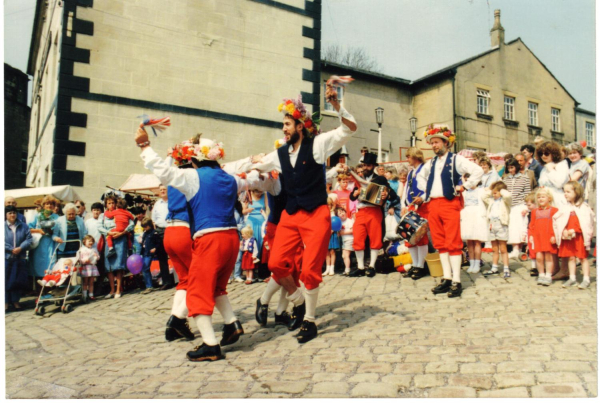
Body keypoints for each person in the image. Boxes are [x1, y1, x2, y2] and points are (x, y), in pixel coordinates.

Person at [137, 127, 271, 361]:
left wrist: (144, 147)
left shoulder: (192, 177)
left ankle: (210, 344)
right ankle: (232, 324)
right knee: (218, 286)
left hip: (209, 238)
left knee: (197, 290)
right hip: (232, 237)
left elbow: (164, 171)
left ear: (194, 160)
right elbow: (251, 180)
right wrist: (263, 170)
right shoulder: (228, 178)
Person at [251, 85, 357, 343]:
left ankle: (309, 321)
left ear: (300, 125)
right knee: (275, 263)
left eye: (287, 124)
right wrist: (239, 165)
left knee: (310, 269)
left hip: (316, 213)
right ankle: (297, 300)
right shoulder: (279, 154)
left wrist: (336, 106)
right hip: (290, 215)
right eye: (283, 124)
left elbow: (348, 129)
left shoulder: (318, 144)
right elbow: (256, 164)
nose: (284, 128)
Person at [416, 125, 483, 298]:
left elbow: (478, 171)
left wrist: (465, 186)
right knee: (440, 243)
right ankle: (446, 278)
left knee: (453, 241)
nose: (434, 145)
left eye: (437, 142)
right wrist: (426, 193)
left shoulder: (456, 160)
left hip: (449, 203)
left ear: (446, 143)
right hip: (433, 205)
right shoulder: (430, 163)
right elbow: (418, 177)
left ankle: (456, 280)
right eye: (432, 143)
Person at [348, 152, 399, 278]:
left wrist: (385, 194)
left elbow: (393, 195)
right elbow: (352, 197)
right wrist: (354, 194)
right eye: (364, 165)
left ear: (373, 166)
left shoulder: (380, 179)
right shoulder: (359, 180)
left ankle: (372, 266)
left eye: (368, 165)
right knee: (358, 237)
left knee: (375, 239)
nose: (366, 167)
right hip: (361, 212)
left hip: (374, 211)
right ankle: (360, 267)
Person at [554, 181, 595, 289]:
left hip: (579, 237)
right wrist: (563, 230)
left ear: (576, 192)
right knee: (571, 258)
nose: (565, 194)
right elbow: (559, 220)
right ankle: (572, 278)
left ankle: (586, 278)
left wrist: (574, 230)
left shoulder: (583, 207)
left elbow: (587, 223)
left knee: (582, 258)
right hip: (568, 237)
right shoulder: (565, 207)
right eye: (564, 191)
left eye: (568, 191)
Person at [400, 147, 429, 280]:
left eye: (409, 157)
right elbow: (406, 190)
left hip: (422, 207)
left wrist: (422, 198)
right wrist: (404, 205)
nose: (407, 160)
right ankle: (415, 264)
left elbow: (429, 188)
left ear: (416, 156)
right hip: (411, 207)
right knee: (410, 237)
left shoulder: (425, 169)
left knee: (420, 237)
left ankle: (421, 266)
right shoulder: (411, 173)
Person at [97, 195, 134, 299]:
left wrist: (122, 233)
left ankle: (118, 289)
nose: (111, 205)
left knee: (119, 265)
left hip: (120, 240)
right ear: (106, 205)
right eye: (109, 203)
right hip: (109, 239)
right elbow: (99, 227)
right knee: (108, 266)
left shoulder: (121, 212)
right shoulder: (103, 215)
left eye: (113, 203)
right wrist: (109, 232)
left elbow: (131, 224)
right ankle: (112, 289)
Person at [5, 205, 33, 312]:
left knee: (17, 280)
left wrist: (20, 248)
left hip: (19, 256)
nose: (12, 215)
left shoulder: (23, 226)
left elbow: (29, 239)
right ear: (5, 215)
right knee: (6, 280)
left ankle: (16, 302)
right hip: (6, 257)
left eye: (14, 213)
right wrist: (11, 249)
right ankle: (5, 303)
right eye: (9, 213)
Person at [529, 188, 559, 286]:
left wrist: (554, 236)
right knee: (539, 257)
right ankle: (541, 274)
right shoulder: (535, 211)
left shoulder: (554, 210)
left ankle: (548, 275)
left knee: (548, 257)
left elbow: (557, 225)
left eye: (543, 197)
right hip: (538, 238)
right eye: (539, 197)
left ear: (549, 198)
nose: (540, 199)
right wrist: (531, 235)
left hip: (549, 237)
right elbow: (532, 225)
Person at [482, 182, 512, 278]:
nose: (493, 194)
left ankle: (506, 268)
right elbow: (483, 196)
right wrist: (491, 189)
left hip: (501, 224)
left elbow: (507, 195)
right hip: (492, 224)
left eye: (496, 193)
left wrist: (502, 189)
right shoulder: (491, 201)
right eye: (493, 193)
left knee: (503, 248)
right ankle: (494, 267)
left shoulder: (505, 201)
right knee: (494, 249)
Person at [503, 158, 531, 260]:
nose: (511, 170)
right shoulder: (505, 179)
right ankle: (515, 250)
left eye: (512, 167)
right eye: (509, 168)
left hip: (520, 205)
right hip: (510, 206)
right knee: (513, 228)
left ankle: (519, 250)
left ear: (517, 167)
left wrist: (527, 208)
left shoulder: (525, 178)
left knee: (521, 227)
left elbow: (527, 194)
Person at [460, 173, 488, 274]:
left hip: (477, 215)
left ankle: (477, 263)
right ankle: (471, 263)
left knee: (477, 241)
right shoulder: (464, 192)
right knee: (469, 241)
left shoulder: (481, 191)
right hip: (467, 216)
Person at [28, 196, 60, 279]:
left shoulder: (57, 217)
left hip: (51, 243)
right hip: (39, 243)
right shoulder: (37, 216)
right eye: (47, 204)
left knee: (50, 263)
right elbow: (29, 229)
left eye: (51, 204)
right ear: (43, 205)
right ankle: (37, 288)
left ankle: (48, 286)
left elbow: (59, 231)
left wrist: (50, 231)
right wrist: (38, 231)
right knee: (37, 263)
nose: (49, 206)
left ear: (54, 206)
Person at [151, 185, 175, 290]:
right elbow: (153, 219)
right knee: (162, 256)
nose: (162, 191)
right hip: (160, 231)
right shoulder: (157, 204)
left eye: (164, 189)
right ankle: (166, 281)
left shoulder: (173, 202)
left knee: (175, 254)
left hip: (172, 228)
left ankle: (181, 279)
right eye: (161, 190)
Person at [537, 141, 570, 207]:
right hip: (545, 201)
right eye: (541, 154)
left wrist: (551, 170)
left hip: (557, 200)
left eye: (546, 153)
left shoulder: (562, 165)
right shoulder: (544, 168)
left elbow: (559, 183)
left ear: (554, 153)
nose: (543, 156)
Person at [78, 235, 100, 302]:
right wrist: (85, 260)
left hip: (92, 267)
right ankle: (84, 295)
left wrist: (97, 256)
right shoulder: (82, 249)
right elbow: (80, 259)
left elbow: (98, 257)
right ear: (84, 242)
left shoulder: (93, 249)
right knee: (85, 282)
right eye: (89, 241)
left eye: (92, 241)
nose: (91, 242)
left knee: (91, 282)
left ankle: (91, 295)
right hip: (86, 267)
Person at [140, 218, 159, 295]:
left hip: (149, 253)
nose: (145, 228)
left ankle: (149, 286)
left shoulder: (154, 233)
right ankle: (149, 285)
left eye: (146, 227)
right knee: (145, 269)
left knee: (145, 268)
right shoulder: (145, 233)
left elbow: (158, 242)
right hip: (145, 252)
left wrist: (155, 248)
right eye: (143, 227)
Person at [336, 206, 354, 275]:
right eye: (340, 213)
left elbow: (353, 231)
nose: (342, 213)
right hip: (344, 241)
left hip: (350, 240)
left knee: (345, 255)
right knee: (344, 255)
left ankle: (347, 269)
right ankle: (347, 268)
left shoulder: (349, 221)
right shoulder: (339, 223)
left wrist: (343, 233)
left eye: (343, 211)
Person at [524, 193, 539, 277]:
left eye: (529, 205)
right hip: (531, 233)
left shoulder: (538, 212)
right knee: (532, 251)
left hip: (537, 233)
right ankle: (534, 267)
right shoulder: (529, 213)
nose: (528, 207)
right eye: (527, 205)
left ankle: (540, 266)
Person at [325, 196, 340, 276]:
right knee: (326, 252)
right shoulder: (323, 213)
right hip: (325, 234)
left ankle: (332, 268)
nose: (329, 206)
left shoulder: (333, 213)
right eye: (327, 205)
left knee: (332, 251)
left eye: (330, 205)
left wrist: (332, 230)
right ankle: (327, 268)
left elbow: (335, 223)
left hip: (332, 233)